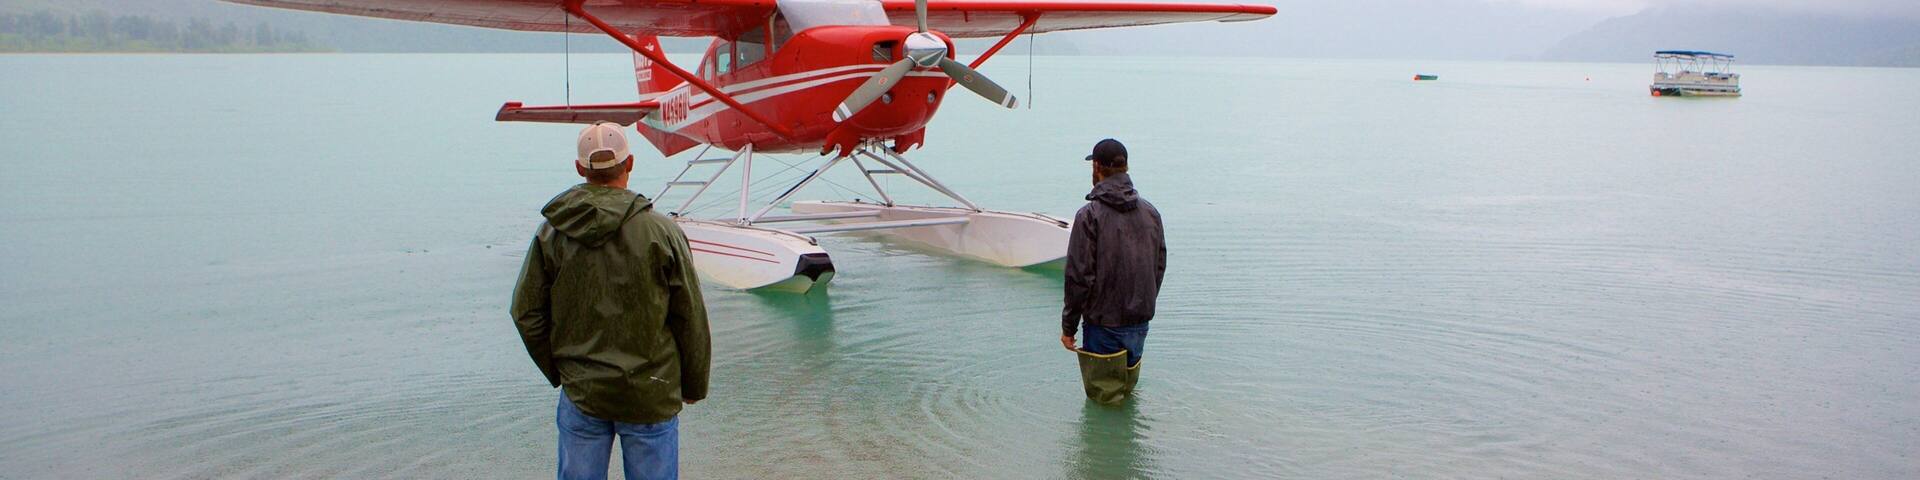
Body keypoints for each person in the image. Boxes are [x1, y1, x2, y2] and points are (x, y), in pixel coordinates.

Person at [511, 122, 711, 480]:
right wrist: (694, 384)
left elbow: (526, 312)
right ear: (629, 162)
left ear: (579, 168)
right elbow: (689, 315)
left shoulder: (552, 233)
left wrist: (562, 371)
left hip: (583, 391)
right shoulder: (662, 231)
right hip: (652, 391)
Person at [1060, 138, 1166, 404]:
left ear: (1096, 167)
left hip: (1103, 325)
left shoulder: (1089, 215)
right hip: (1139, 324)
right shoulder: (1151, 213)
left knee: (1104, 402)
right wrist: (1144, 303)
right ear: (1125, 167)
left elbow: (1079, 276)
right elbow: (1159, 265)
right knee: (1126, 398)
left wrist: (1068, 326)